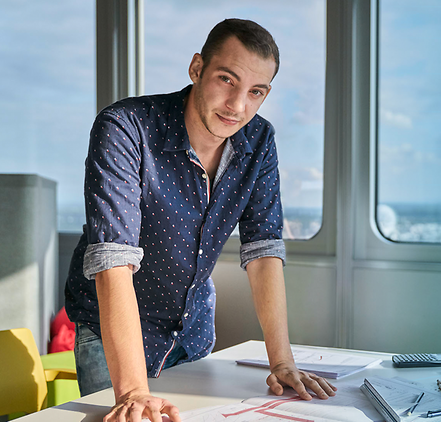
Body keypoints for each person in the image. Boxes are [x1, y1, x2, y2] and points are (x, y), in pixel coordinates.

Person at [64, 18, 336, 422]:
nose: (237, 105)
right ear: (197, 69)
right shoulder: (127, 126)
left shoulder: (258, 140)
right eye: (227, 80)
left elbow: (263, 252)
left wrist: (281, 362)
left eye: (255, 92)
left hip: (192, 332)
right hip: (115, 339)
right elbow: (112, 260)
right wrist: (135, 391)